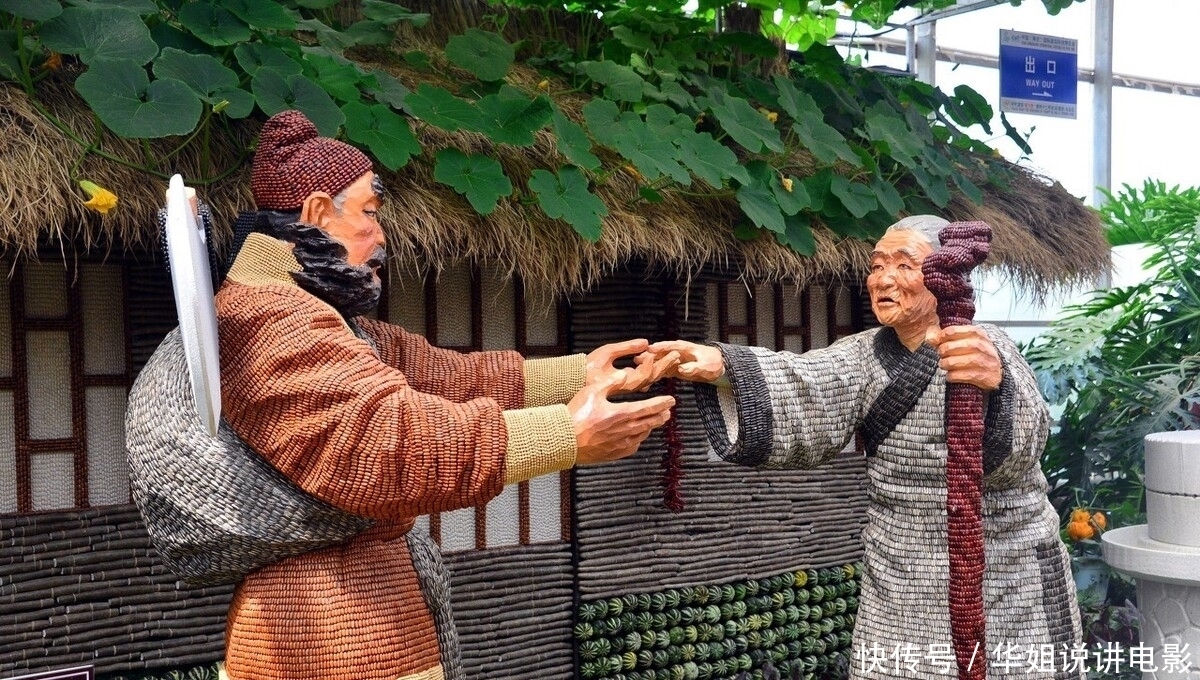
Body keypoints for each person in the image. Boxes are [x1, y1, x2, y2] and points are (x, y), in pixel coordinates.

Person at [211, 110, 678, 680]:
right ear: (315, 212)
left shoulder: (305, 309)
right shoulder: (269, 319)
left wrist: (584, 375)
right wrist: (564, 434)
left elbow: (444, 377)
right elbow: (385, 444)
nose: (381, 237)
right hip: (319, 638)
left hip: (360, 621)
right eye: (369, 214)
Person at [645, 215, 1083, 679]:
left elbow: (1025, 445)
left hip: (1002, 567)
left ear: (943, 277)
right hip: (899, 566)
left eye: (904, 265)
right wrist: (719, 364)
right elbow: (807, 383)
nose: (883, 279)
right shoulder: (864, 355)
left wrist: (994, 385)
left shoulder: (986, 346)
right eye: (877, 266)